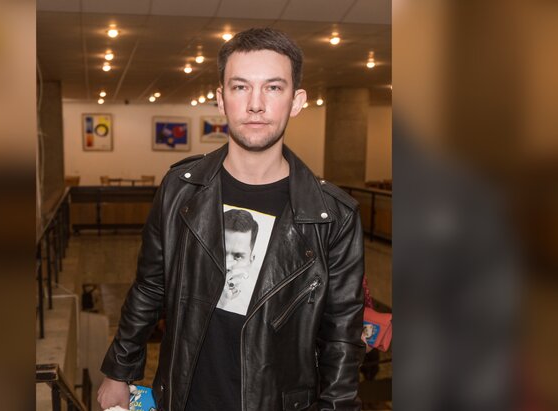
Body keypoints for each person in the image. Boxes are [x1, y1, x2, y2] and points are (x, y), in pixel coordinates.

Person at [98, 28, 365, 411]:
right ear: (221, 99)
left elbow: (341, 336)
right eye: (240, 87)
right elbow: (150, 287)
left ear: (296, 101)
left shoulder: (333, 216)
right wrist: (118, 370)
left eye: (273, 88)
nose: (256, 104)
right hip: (186, 397)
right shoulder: (180, 189)